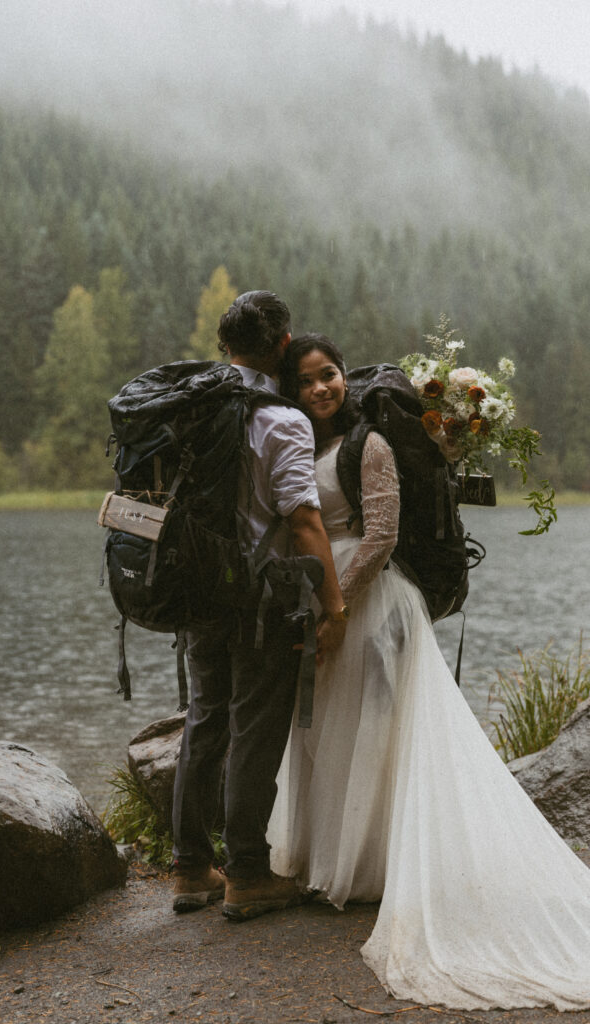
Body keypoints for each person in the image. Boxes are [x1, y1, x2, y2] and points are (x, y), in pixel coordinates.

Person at [267, 332, 590, 1010]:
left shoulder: (369, 445)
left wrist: (335, 605)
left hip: (372, 607)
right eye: (306, 381)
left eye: (329, 376)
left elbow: (380, 534)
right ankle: (335, 866)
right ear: (291, 392)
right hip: (324, 601)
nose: (320, 388)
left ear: (344, 379)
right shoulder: (305, 449)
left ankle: (376, 870)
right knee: (332, 731)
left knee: (379, 734)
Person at [171, 294, 349, 922]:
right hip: (261, 595)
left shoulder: (193, 404)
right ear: (283, 344)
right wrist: (334, 605)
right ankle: (246, 872)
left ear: (226, 346)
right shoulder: (283, 420)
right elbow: (303, 520)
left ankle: (191, 867)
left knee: (206, 716)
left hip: (197, 587)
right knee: (254, 726)